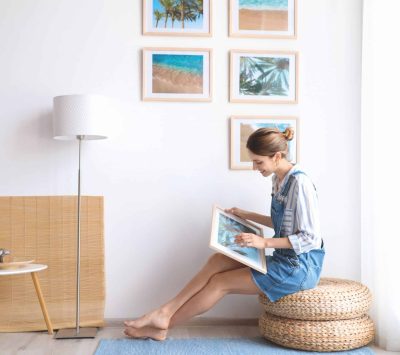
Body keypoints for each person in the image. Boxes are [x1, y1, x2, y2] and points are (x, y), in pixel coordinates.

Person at [124, 127, 325, 340]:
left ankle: (164, 326)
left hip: (300, 268)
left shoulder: (300, 184)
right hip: (285, 259)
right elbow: (284, 224)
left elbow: (309, 237)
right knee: (218, 260)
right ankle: (164, 312)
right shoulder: (278, 179)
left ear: (276, 156)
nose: (255, 167)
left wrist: (263, 242)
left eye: (258, 162)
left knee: (220, 282)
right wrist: (246, 215)